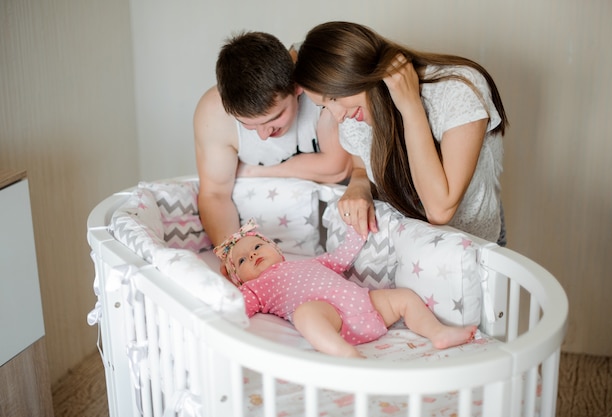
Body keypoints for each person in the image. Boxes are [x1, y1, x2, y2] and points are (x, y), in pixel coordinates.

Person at [292, 21, 509, 245]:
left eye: (334, 97)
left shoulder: (458, 88)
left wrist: (410, 107)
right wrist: (358, 187)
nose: (338, 116)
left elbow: (440, 210)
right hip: (414, 250)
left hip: (476, 251)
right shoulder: (354, 113)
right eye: (324, 106)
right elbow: (360, 166)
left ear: (353, 74)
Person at [214, 219, 477, 358]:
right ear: (241, 279)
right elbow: (234, 307)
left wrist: (357, 231)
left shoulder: (313, 261)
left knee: (405, 297)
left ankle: (438, 332)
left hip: (367, 305)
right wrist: (223, 289)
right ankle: (345, 354)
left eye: (257, 247)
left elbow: (342, 257)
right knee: (306, 313)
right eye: (241, 261)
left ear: (275, 249)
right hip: (333, 320)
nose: (252, 255)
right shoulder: (256, 288)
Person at [194, 31, 352, 248]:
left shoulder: (320, 92)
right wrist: (233, 252)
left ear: (297, 87)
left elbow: (339, 168)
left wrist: (253, 171)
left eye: (275, 117)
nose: (263, 134)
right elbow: (214, 194)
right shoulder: (213, 115)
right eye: (248, 124)